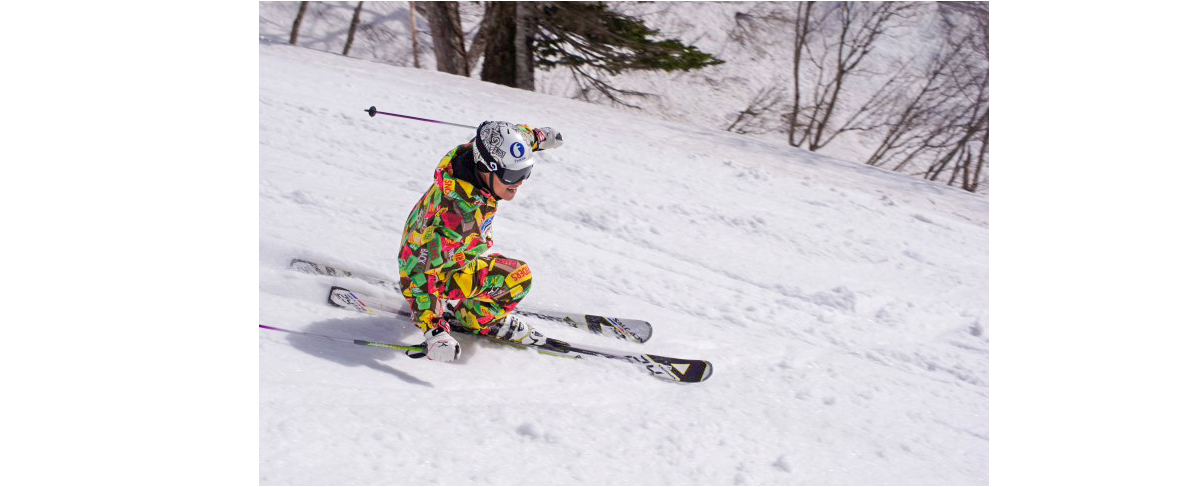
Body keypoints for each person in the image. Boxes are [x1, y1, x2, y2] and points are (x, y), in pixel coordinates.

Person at [397, 121, 564, 362]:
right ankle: (474, 318)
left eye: (526, 171)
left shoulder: (478, 158)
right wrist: (434, 330)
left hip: (448, 254)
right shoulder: (455, 216)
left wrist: (539, 136)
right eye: (513, 175)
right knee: (518, 278)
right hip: (431, 270)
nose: (520, 182)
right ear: (488, 167)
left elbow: (511, 138)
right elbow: (418, 273)